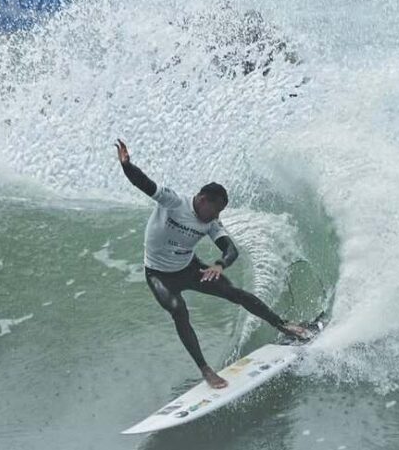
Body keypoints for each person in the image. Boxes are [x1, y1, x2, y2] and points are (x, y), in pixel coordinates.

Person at [115, 138, 308, 389]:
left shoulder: (210, 223)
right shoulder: (174, 202)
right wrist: (127, 166)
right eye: (216, 209)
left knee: (234, 292)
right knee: (178, 309)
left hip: (189, 268)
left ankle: (283, 325)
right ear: (203, 199)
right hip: (159, 274)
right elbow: (145, 184)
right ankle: (206, 370)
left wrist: (219, 265)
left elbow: (230, 249)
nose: (218, 217)